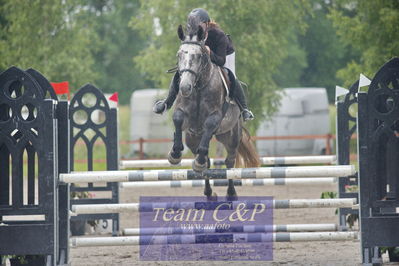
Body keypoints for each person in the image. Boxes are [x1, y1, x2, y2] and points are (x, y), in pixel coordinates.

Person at [153, 8, 254, 121]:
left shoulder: (218, 35)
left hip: (224, 55)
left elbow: (221, 61)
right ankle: (167, 103)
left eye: (197, 25)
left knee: (230, 74)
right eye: (192, 25)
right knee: (181, 72)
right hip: (205, 60)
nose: (194, 28)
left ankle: (245, 109)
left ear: (206, 24)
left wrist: (209, 52)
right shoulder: (193, 35)